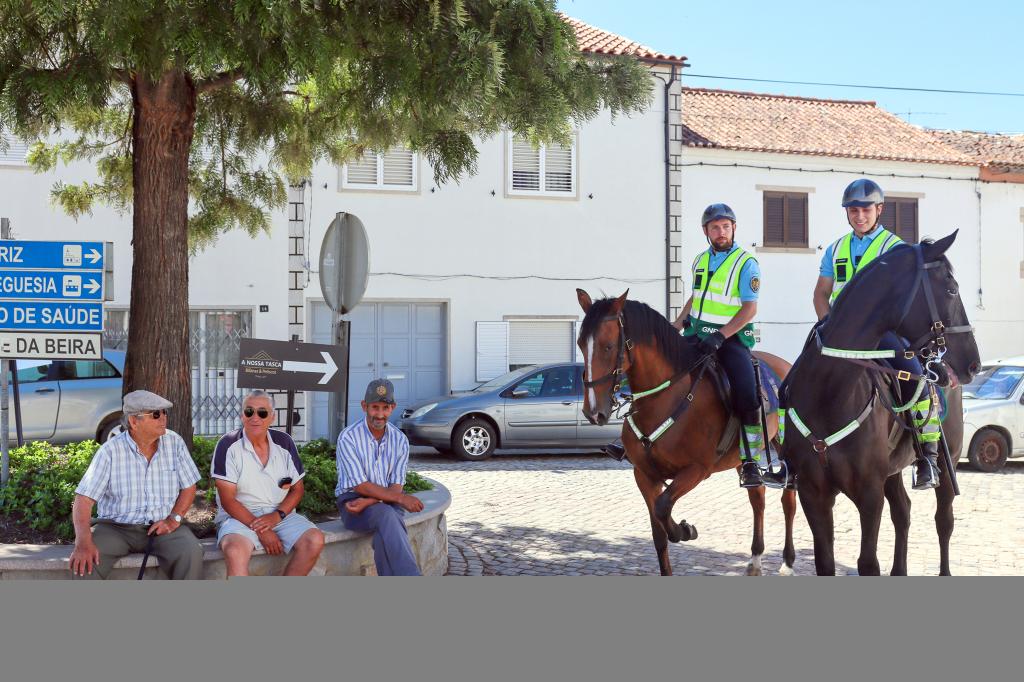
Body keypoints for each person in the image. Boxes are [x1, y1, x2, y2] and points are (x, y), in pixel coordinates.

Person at [813, 178, 941, 490]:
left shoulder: (895, 249)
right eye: (853, 210)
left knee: (917, 382)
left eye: (865, 209)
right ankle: (792, 457)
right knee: (794, 382)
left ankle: (928, 457)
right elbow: (820, 294)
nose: (859, 215)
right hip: (838, 336)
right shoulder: (835, 249)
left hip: (882, 335)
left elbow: (904, 300)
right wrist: (828, 323)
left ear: (879, 209)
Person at [69, 390, 204, 579]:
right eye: (155, 414)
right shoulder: (110, 451)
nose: (163, 418)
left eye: (164, 413)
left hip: (161, 526)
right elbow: (83, 499)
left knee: (191, 552)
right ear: (134, 421)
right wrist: (82, 542)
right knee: (85, 562)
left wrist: (173, 520)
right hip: (116, 528)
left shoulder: (174, 443)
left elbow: (189, 487)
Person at [211, 390, 325, 576]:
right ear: (242, 415)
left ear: (272, 417)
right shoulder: (228, 445)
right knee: (234, 550)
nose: (255, 417)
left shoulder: (285, 442)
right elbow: (228, 500)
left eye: (262, 412)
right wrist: (261, 529)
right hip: (238, 518)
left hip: (279, 515)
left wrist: (276, 517)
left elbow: (297, 489)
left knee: (315, 540)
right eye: (249, 412)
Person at [335, 379, 424, 576]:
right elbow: (360, 485)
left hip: (384, 501)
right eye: (375, 407)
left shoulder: (400, 440)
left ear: (392, 407)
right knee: (388, 515)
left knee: (386, 530)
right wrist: (396, 499)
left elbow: (396, 485)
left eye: (385, 408)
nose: (380, 414)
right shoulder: (348, 437)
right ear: (364, 406)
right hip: (353, 504)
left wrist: (372, 500)